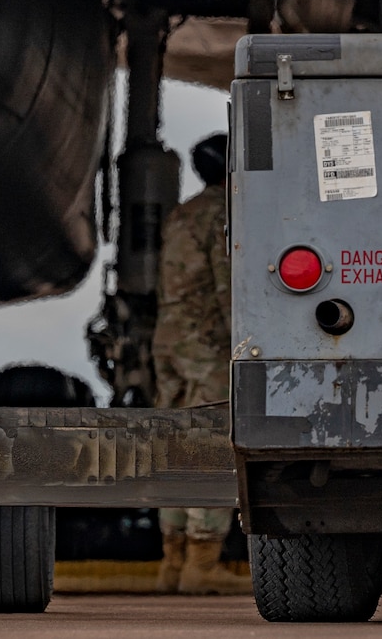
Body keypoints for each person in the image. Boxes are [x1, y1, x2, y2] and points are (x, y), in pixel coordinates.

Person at [152, 133, 248, 595]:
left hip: (169, 342)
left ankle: (171, 563)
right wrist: (246, 343)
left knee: (172, 447)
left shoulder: (182, 213)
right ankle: (202, 563)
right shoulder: (223, 215)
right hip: (207, 345)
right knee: (210, 446)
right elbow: (228, 285)